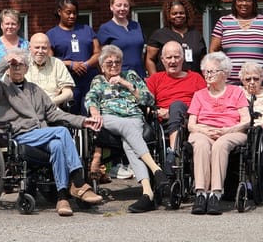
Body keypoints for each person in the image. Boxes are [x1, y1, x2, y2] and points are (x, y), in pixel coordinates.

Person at [0, 47, 105, 216]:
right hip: (18, 135)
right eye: (13, 65)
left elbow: (54, 113)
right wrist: (5, 61)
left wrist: (83, 121)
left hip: (42, 135)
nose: (17, 68)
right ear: (8, 68)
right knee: (60, 132)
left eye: (21, 65)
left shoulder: (35, 90)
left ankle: (62, 198)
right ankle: (78, 182)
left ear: (27, 68)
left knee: (56, 145)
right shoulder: (1, 89)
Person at [86, 45, 166, 213]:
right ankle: (156, 169)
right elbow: (91, 98)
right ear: (101, 66)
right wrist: (94, 111)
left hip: (134, 116)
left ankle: (147, 193)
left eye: (117, 62)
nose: (114, 65)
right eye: (109, 63)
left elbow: (149, 100)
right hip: (109, 118)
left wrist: (126, 84)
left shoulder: (130, 75)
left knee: (129, 141)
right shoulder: (98, 80)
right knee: (127, 128)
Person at [185, 52, 251, 215]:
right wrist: (204, 130)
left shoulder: (237, 92)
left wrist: (228, 130)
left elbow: (247, 121)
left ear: (225, 73)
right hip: (203, 130)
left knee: (221, 145)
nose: (207, 75)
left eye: (212, 71)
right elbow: (191, 124)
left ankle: (215, 194)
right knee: (200, 144)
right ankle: (201, 194)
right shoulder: (199, 95)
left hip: (231, 131)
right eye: (205, 71)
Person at [145, 41, 206, 169]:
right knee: (176, 107)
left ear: (183, 58)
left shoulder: (196, 78)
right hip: (163, 123)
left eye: (177, 57)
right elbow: (147, 106)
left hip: (190, 119)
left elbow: (205, 103)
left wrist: (173, 112)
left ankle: (172, 155)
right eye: (169, 57)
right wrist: (157, 112)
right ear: (162, 60)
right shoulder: (155, 79)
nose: (173, 61)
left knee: (177, 106)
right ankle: (175, 154)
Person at [211, 0, 263, 86]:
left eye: (248, 1)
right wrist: (216, 75)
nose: (244, 4)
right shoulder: (223, 22)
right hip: (231, 84)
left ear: (253, 3)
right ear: (235, 2)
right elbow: (213, 50)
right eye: (240, 0)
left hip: (261, 84)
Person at [46, 0, 100, 114]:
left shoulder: (87, 30)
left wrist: (86, 64)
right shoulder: (52, 34)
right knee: (72, 115)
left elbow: (98, 53)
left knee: (90, 112)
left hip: (90, 80)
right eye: (68, 12)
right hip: (68, 83)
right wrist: (70, 64)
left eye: (74, 13)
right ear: (60, 12)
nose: (72, 16)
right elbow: (49, 60)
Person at [144, 0, 206, 74]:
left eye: (181, 13)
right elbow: (150, 59)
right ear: (168, 16)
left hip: (193, 81)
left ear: (186, 14)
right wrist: (155, 80)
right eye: (174, 13)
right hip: (167, 82)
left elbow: (203, 59)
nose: (178, 15)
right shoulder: (159, 35)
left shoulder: (196, 34)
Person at [98, 0, 146, 78]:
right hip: (118, 76)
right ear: (111, 7)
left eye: (126, 5)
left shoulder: (136, 26)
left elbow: (142, 52)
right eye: (118, 5)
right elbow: (101, 57)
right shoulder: (105, 28)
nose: (122, 8)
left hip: (139, 75)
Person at [24, 33, 75, 107]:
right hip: (27, 108)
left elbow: (69, 92)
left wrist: (50, 102)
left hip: (52, 108)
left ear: (49, 48)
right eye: (37, 47)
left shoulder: (57, 64)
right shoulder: (22, 63)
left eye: (44, 48)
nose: (40, 51)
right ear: (29, 48)